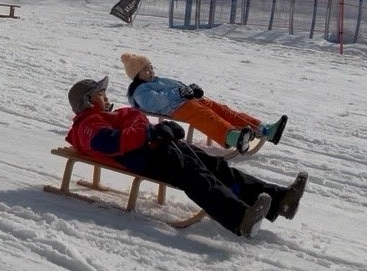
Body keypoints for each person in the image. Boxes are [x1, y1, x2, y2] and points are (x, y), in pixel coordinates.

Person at [66, 76, 307, 238]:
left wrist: (164, 130)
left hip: (157, 147)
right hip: (145, 158)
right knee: (196, 176)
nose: (106, 96)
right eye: (100, 93)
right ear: (86, 101)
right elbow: (111, 142)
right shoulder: (87, 125)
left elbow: (132, 129)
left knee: (217, 166)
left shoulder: (107, 116)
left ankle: (280, 200)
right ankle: (240, 218)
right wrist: (152, 131)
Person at [120, 52, 287, 154]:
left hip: (187, 101)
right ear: (136, 75)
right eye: (146, 70)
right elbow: (155, 102)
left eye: (151, 67)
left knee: (222, 110)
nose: (151, 71)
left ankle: (263, 129)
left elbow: (178, 87)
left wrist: (191, 90)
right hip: (176, 108)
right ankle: (233, 137)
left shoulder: (156, 80)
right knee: (207, 117)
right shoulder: (140, 91)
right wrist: (180, 93)